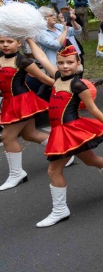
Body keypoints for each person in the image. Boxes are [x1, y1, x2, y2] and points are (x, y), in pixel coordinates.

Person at [27, 44, 103, 227]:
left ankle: (60, 210)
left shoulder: (77, 84)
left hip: (69, 130)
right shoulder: (57, 77)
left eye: (70, 62)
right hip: (59, 130)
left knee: (54, 170)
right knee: (90, 160)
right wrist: (30, 39)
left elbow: (93, 109)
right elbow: (43, 59)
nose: (65, 66)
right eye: (61, 62)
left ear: (78, 64)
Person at [0, 38, 53, 191]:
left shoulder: (22, 60)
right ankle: (64, 151)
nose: (5, 45)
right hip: (9, 101)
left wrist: (65, 85)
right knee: (30, 134)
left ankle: (17, 173)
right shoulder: (0, 57)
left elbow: (43, 78)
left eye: (9, 41)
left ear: (19, 43)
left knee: (7, 136)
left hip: (22, 102)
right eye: (1, 41)